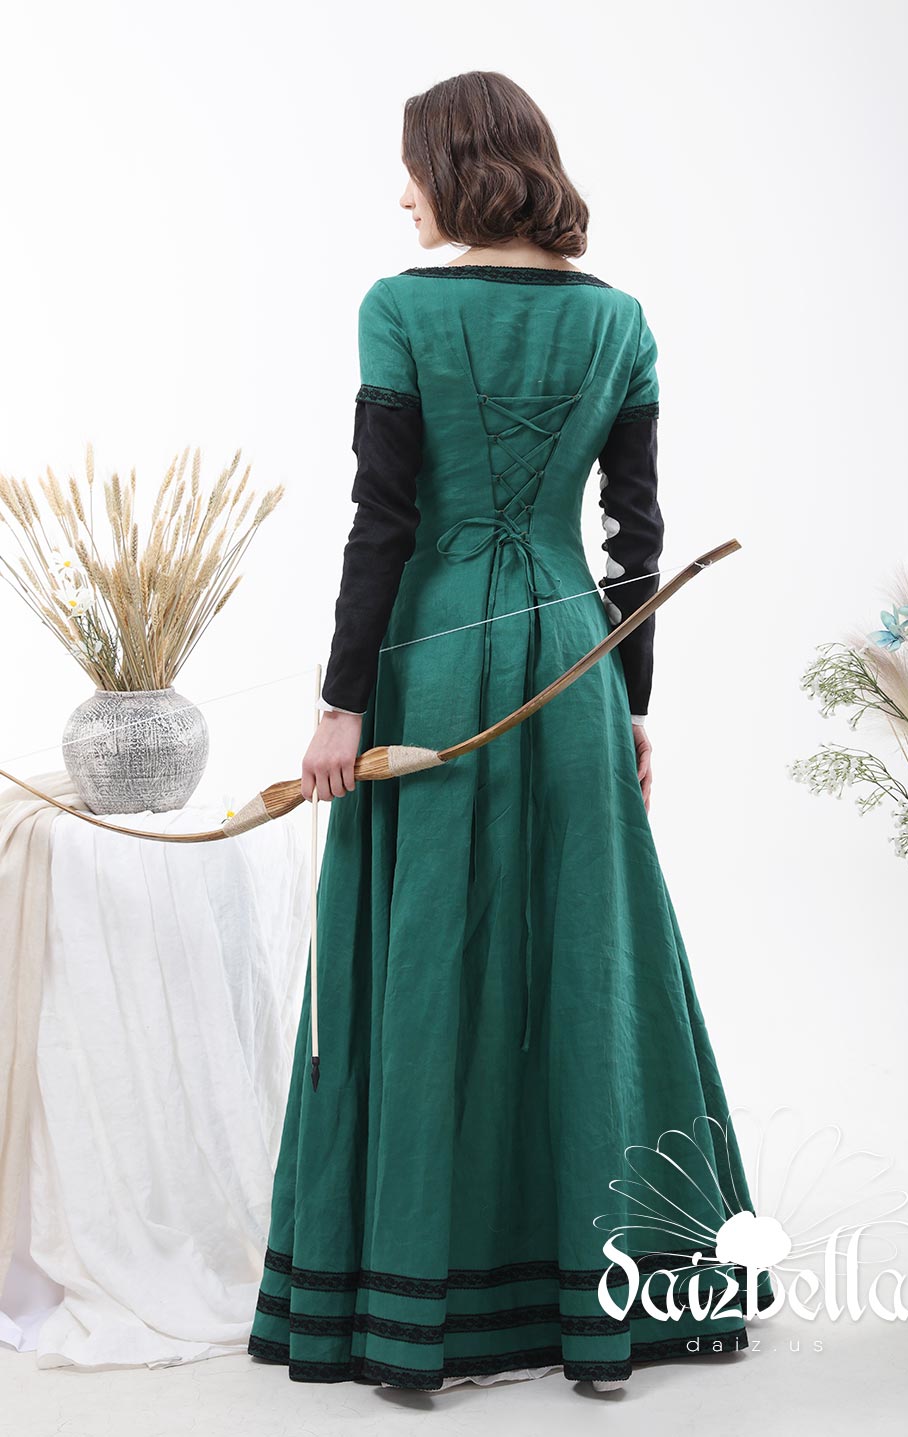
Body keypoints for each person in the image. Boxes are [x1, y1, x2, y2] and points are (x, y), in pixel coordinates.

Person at [248, 69, 772, 1393]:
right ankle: (600, 1319)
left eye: (412, 166)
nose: (401, 195)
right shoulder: (620, 322)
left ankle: (412, 1318)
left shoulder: (400, 309)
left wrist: (340, 705)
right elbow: (636, 542)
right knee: (580, 955)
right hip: (567, 664)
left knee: (429, 952)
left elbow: (384, 520)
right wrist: (629, 699)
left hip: (431, 664)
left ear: (455, 167)